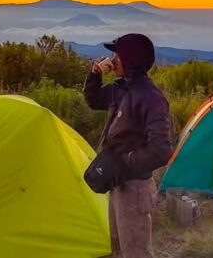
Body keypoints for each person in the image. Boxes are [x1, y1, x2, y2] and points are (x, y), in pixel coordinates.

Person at [83, 33, 172, 258]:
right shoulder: (122, 88)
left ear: (130, 60)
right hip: (118, 183)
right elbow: (94, 101)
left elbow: (161, 151)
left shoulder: (151, 98)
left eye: (117, 55)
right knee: (119, 248)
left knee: (136, 251)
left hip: (135, 189)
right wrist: (94, 75)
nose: (113, 60)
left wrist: (125, 161)